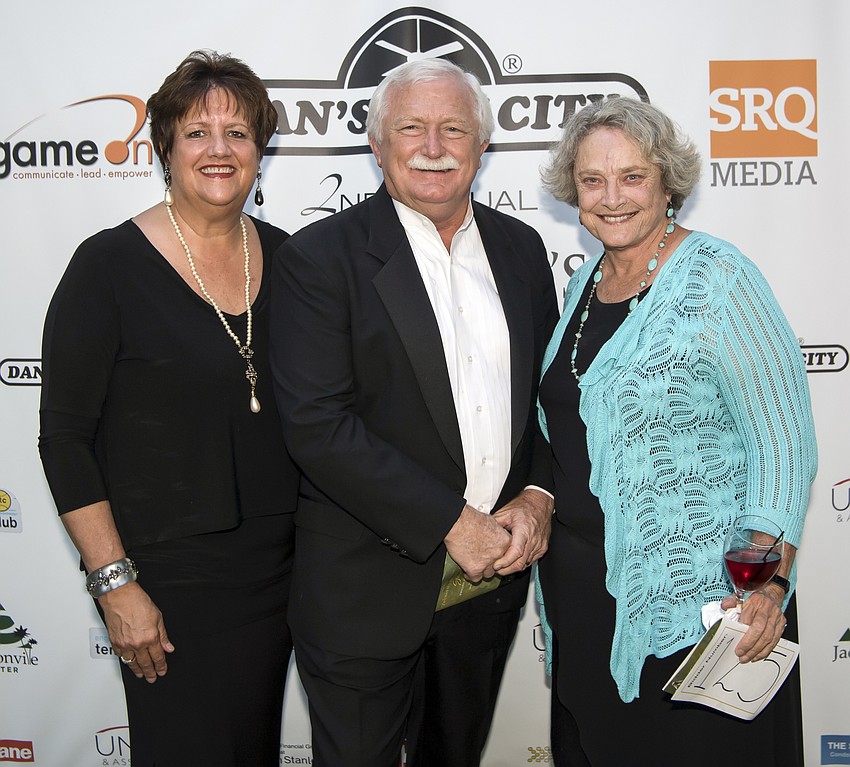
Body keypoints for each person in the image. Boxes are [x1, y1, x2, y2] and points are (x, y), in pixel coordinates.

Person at [269, 58, 558, 767]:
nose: (434, 145)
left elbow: (551, 400)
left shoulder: (521, 248)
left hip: (487, 589)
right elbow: (317, 424)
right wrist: (452, 522)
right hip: (364, 593)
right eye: (412, 128)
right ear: (377, 145)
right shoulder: (319, 258)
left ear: (481, 146)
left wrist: (538, 493)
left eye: (454, 127)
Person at [535, 97, 817, 766]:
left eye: (632, 176)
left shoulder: (719, 278)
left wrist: (766, 585)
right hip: (586, 606)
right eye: (592, 180)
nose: (611, 197)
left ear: (668, 183)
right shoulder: (587, 284)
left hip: (703, 611)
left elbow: (782, 442)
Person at [38, 50, 297, 767]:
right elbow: (64, 439)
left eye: (239, 132)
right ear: (164, 148)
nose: (220, 149)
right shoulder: (107, 267)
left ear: (259, 151)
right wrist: (115, 584)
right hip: (164, 588)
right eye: (197, 132)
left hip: (279, 579)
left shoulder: (290, 259)